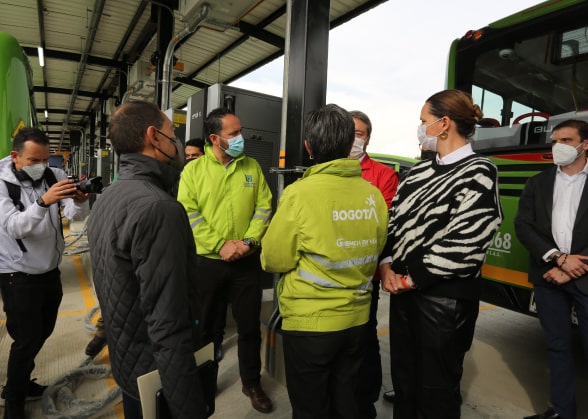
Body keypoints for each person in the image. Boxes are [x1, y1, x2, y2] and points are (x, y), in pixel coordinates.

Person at [379, 89, 503, 419]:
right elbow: (394, 223)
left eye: (424, 121)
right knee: (405, 382)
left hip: (444, 302)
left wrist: (410, 279)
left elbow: (467, 242)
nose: (420, 128)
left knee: (436, 390)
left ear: (443, 124)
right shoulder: (417, 173)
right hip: (402, 294)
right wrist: (386, 264)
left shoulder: (479, 171)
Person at [260, 104, 388, 419]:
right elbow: (377, 247)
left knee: (311, 407)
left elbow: (273, 258)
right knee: (346, 401)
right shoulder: (372, 195)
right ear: (350, 145)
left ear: (308, 147)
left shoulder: (299, 194)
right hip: (357, 321)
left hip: (310, 323)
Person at [87, 100, 208, 419]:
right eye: (172, 133)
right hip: (159, 377)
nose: (177, 143)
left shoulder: (109, 197)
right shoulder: (159, 209)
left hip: (130, 367)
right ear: (154, 136)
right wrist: (188, 409)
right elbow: (168, 324)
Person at [177, 108, 273, 414]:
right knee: (206, 329)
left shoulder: (252, 167)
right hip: (208, 262)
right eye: (233, 133)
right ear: (215, 138)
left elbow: (264, 206)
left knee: (249, 327)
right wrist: (220, 245)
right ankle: (205, 386)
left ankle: (251, 383)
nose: (240, 138)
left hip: (245, 261)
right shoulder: (193, 172)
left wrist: (246, 243)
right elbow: (189, 215)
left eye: (240, 131)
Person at [0, 127, 90, 419]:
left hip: (50, 270)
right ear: (15, 156)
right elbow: (14, 227)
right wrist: (42, 203)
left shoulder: (55, 175)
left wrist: (78, 200)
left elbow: (75, 216)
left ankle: (20, 380)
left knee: (44, 330)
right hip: (18, 274)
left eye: (45, 159)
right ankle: (14, 397)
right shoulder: (2, 183)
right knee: (26, 338)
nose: (40, 166)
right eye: (32, 160)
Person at [515, 119, 588, 419]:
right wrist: (558, 259)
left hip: (585, 277)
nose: (559, 147)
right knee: (557, 348)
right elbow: (524, 226)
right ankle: (562, 411)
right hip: (549, 277)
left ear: (585, 144)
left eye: (567, 140)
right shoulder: (538, 181)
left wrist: (575, 264)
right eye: (555, 141)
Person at [349, 110, 399, 415]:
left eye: (361, 133)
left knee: (365, 335)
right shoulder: (321, 171)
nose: (355, 139)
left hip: (365, 275)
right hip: (330, 276)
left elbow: (382, 225)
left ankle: (367, 394)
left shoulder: (382, 175)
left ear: (369, 138)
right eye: (350, 132)